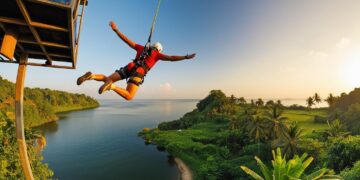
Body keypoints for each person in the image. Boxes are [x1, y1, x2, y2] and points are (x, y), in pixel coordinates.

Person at [77, 21, 196, 101]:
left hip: (129, 67)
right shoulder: (157, 55)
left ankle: (91, 76)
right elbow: (171, 58)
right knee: (129, 96)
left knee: (106, 78)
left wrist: (116, 30)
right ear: (159, 49)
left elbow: (127, 40)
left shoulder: (141, 48)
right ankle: (112, 87)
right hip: (138, 72)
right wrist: (185, 57)